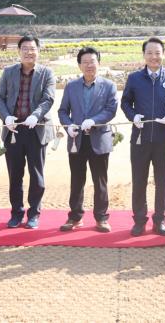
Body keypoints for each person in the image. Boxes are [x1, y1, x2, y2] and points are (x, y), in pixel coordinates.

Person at [121, 37, 165, 237]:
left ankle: (160, 221)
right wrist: (133, 116)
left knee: (162, 182)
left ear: (163, 54)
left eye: (157, 53)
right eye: (149, 53)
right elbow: (125, 102)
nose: (153, 57)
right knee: (139, 181)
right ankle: (139, 221)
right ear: (144, 55)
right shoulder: (134, 78)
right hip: (140, 139)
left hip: (163, 139)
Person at [0, 35, 56, 229]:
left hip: (36, 129)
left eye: (32, 49)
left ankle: (34, 214)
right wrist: (6, 117)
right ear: (19, 51)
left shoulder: (46, 73)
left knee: (36, 174)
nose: (29, 52)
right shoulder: (8, 72)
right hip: (13, 129)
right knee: (15, 175)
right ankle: (16, 213)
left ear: (38, 51)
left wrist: (36, 115)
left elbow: (48, 99)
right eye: (25, 49)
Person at [57, 47, 118, 232]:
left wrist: (94, 121)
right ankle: (75, 217)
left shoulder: (109, 86)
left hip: (99, 140)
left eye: (92, 61)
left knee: (100, 181)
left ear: (99, 63)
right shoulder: (71, 86)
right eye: (85, 62)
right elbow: (63, 111)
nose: (89, 65)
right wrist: (68, 126)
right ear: (79, 65)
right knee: (77, 180)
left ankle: (101, 218)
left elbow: (110, 110)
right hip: (77, 140)